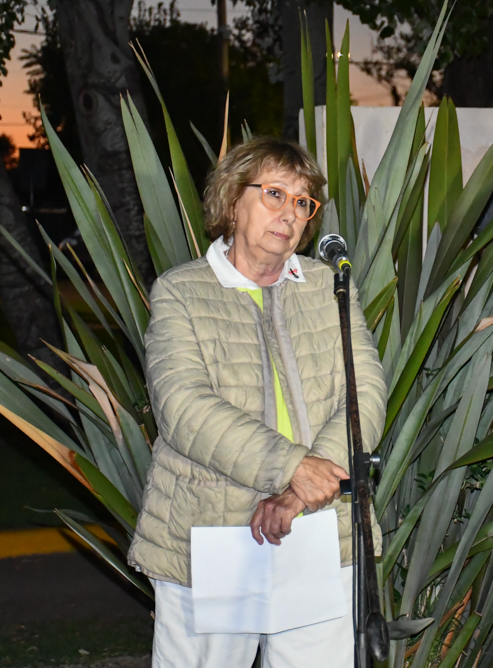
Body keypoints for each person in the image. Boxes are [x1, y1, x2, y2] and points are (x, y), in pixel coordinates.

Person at [127, 136, 386, 667]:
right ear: (231, 199)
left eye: (302, 202)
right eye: (274, 194)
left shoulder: (329, 288)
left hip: (318, 528)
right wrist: (292, 467)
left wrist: (301, 492)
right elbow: (183, 409)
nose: (289, 213)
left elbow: (364, 395)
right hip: (211, 531)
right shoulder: (182, 292)